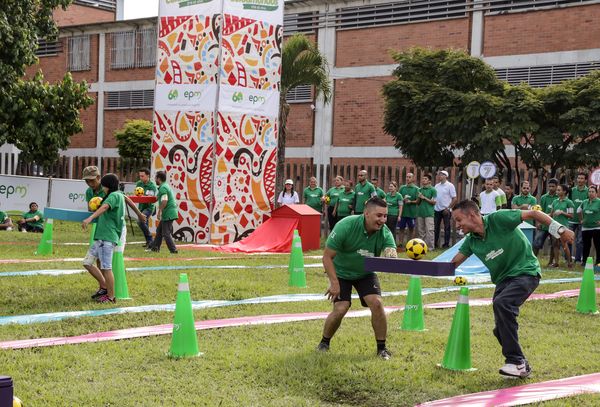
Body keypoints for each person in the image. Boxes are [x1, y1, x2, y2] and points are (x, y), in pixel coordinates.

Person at [451, 199, 574, 378]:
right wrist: (417, 267)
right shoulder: (471, 242)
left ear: (472, 215)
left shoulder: (499, 219)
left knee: (502, 304)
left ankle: (515, 362)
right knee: (500, 330)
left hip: (526, 272)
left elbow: (533, 214)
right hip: (503, 281)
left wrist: (560, 230)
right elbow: (451, 265)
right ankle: (522, 364)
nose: (457, 225)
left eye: (459, 220)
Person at [317, 197, 397, 360]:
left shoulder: (385, 231)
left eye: (385, 216)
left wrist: (391, 254)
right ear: (366, 214)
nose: (382, 220)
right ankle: (324, 343)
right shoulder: (346, 225)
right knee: (341, 308)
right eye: (379, 215)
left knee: (377, 303)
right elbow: (327, 257)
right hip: (341, 273)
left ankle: (382, 348)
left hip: (365, 273)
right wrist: (334, 283)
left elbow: (390, 250)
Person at [82, 174, 125, 304]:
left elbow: (105, 207)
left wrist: (90, 218)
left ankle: (111, 296)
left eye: (104, 185)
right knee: (87, 262)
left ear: (108, 185)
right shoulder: (115, 195)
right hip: (100, 237)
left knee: (107, 267)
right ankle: (104, 286)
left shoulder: (115, 195)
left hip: (107, 237)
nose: (103, 188)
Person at [83, 166, 145, 244]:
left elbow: (126, 199)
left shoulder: (108, 187)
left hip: (115, 225)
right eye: (87, 181)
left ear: (98, 177)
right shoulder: (89, 192)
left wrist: (139, 214)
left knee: (114, 252)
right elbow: (90, 209)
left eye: (92, 180)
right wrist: (95, 207)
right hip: (102, 226)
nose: (90, 184)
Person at [147, 171, 179, 254]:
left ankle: (173, 250)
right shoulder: (164, 186)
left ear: (159, 179)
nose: (155, 180)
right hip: (169, 212)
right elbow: (158, 197)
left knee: (166, 233)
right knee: (159, 231)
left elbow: (164, 200)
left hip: (168, 213)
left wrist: (159, 211)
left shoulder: (163, 188)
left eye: (155, 178)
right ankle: (155, 248)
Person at [549, 184, 575, 268]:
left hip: (563, 226)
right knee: (555, 244)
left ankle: (569, 262)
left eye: (559, 190)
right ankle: (556, 262)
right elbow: (551, 214)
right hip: (554, 226)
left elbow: (571, 215)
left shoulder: (569, 202)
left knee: (564, 245)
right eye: (557, 190)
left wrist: (562, 212)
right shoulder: (555, 201)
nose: (557, 191)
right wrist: (540, 214)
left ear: (564, 192)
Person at [533, 178, 558, 264]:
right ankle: (533, 260)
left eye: (553, 186)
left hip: (554, 224)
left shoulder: (559, 198)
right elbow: (540, 211)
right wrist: (539, 222)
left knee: (554, 244)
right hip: (544, 224)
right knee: (536, 243)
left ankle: (551, 262)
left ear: (557, 187)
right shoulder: (544, 197)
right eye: (550, 186)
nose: (551, 188)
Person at [434, 170, 457, 249]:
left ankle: (446, 244)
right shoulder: (436, 186)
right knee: (436, 228)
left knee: (447, 227)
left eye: (442, 175)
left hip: (446, 210)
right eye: (439, 175)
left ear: (446, 176)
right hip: (436, 209)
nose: (440, 176)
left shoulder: (450, 185)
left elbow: (454, 198)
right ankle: (435, 244)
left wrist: (448, 208)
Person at [569, 173, 588, 264]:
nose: (580, 180)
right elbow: (568, 203)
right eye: (578, 178)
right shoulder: (572, 191)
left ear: (585, 180)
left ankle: (577, 260)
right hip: (571, 220)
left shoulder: (588, 191)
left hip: (582, 220)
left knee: (580, 241)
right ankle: (568, 259)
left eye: (582, 178)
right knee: (568, 239)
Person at [135, 168, 158, 248]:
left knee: (140, 221)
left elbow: (150, 199)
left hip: (149, 207)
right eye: (140, 176)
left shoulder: (152, 186)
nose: (140, 178)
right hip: (141, 207)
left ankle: (151, 239)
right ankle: (149, 242)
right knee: (145, 224)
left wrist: (145, 196)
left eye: (142, 176)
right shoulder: (138, 184)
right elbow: (137, 196)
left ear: (148, 175)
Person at [579, 185, 600, 267]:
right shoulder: (584, 202)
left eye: (593, 192)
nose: (591, 193)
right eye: (589, 191)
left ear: (596, 193)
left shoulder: (599, 202)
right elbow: (578, 211)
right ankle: (584, 262)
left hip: (596, 228)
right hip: (585, 228)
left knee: (598, 245)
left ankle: (598, 262)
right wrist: (581, 220)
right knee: (586, 246)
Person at [416, 174, 436, 249]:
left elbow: (434, 202)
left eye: (425, 179)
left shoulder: (433, 190)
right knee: (421, 231)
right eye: (423, 178)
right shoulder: (419, 190)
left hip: (429, 214)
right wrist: (419, 197)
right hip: (420, 213)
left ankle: (430, 248)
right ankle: (421, 247)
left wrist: (424, 198)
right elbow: (418, 203)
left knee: (429, 231)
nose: (423, 180)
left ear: (429, 181)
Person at [398, 173, 419, 246]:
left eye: (409, 177)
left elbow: (418, 201)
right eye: (407, 177)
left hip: (412, 213)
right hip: (403, 212)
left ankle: (410, 244)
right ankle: (400, 243)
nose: (407, 178)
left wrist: (411, 202)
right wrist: (403, 200)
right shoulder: (402, 188)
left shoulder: (416, 189)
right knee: (401, 228)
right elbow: (398, 199)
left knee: (411, 228)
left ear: (413, 179)